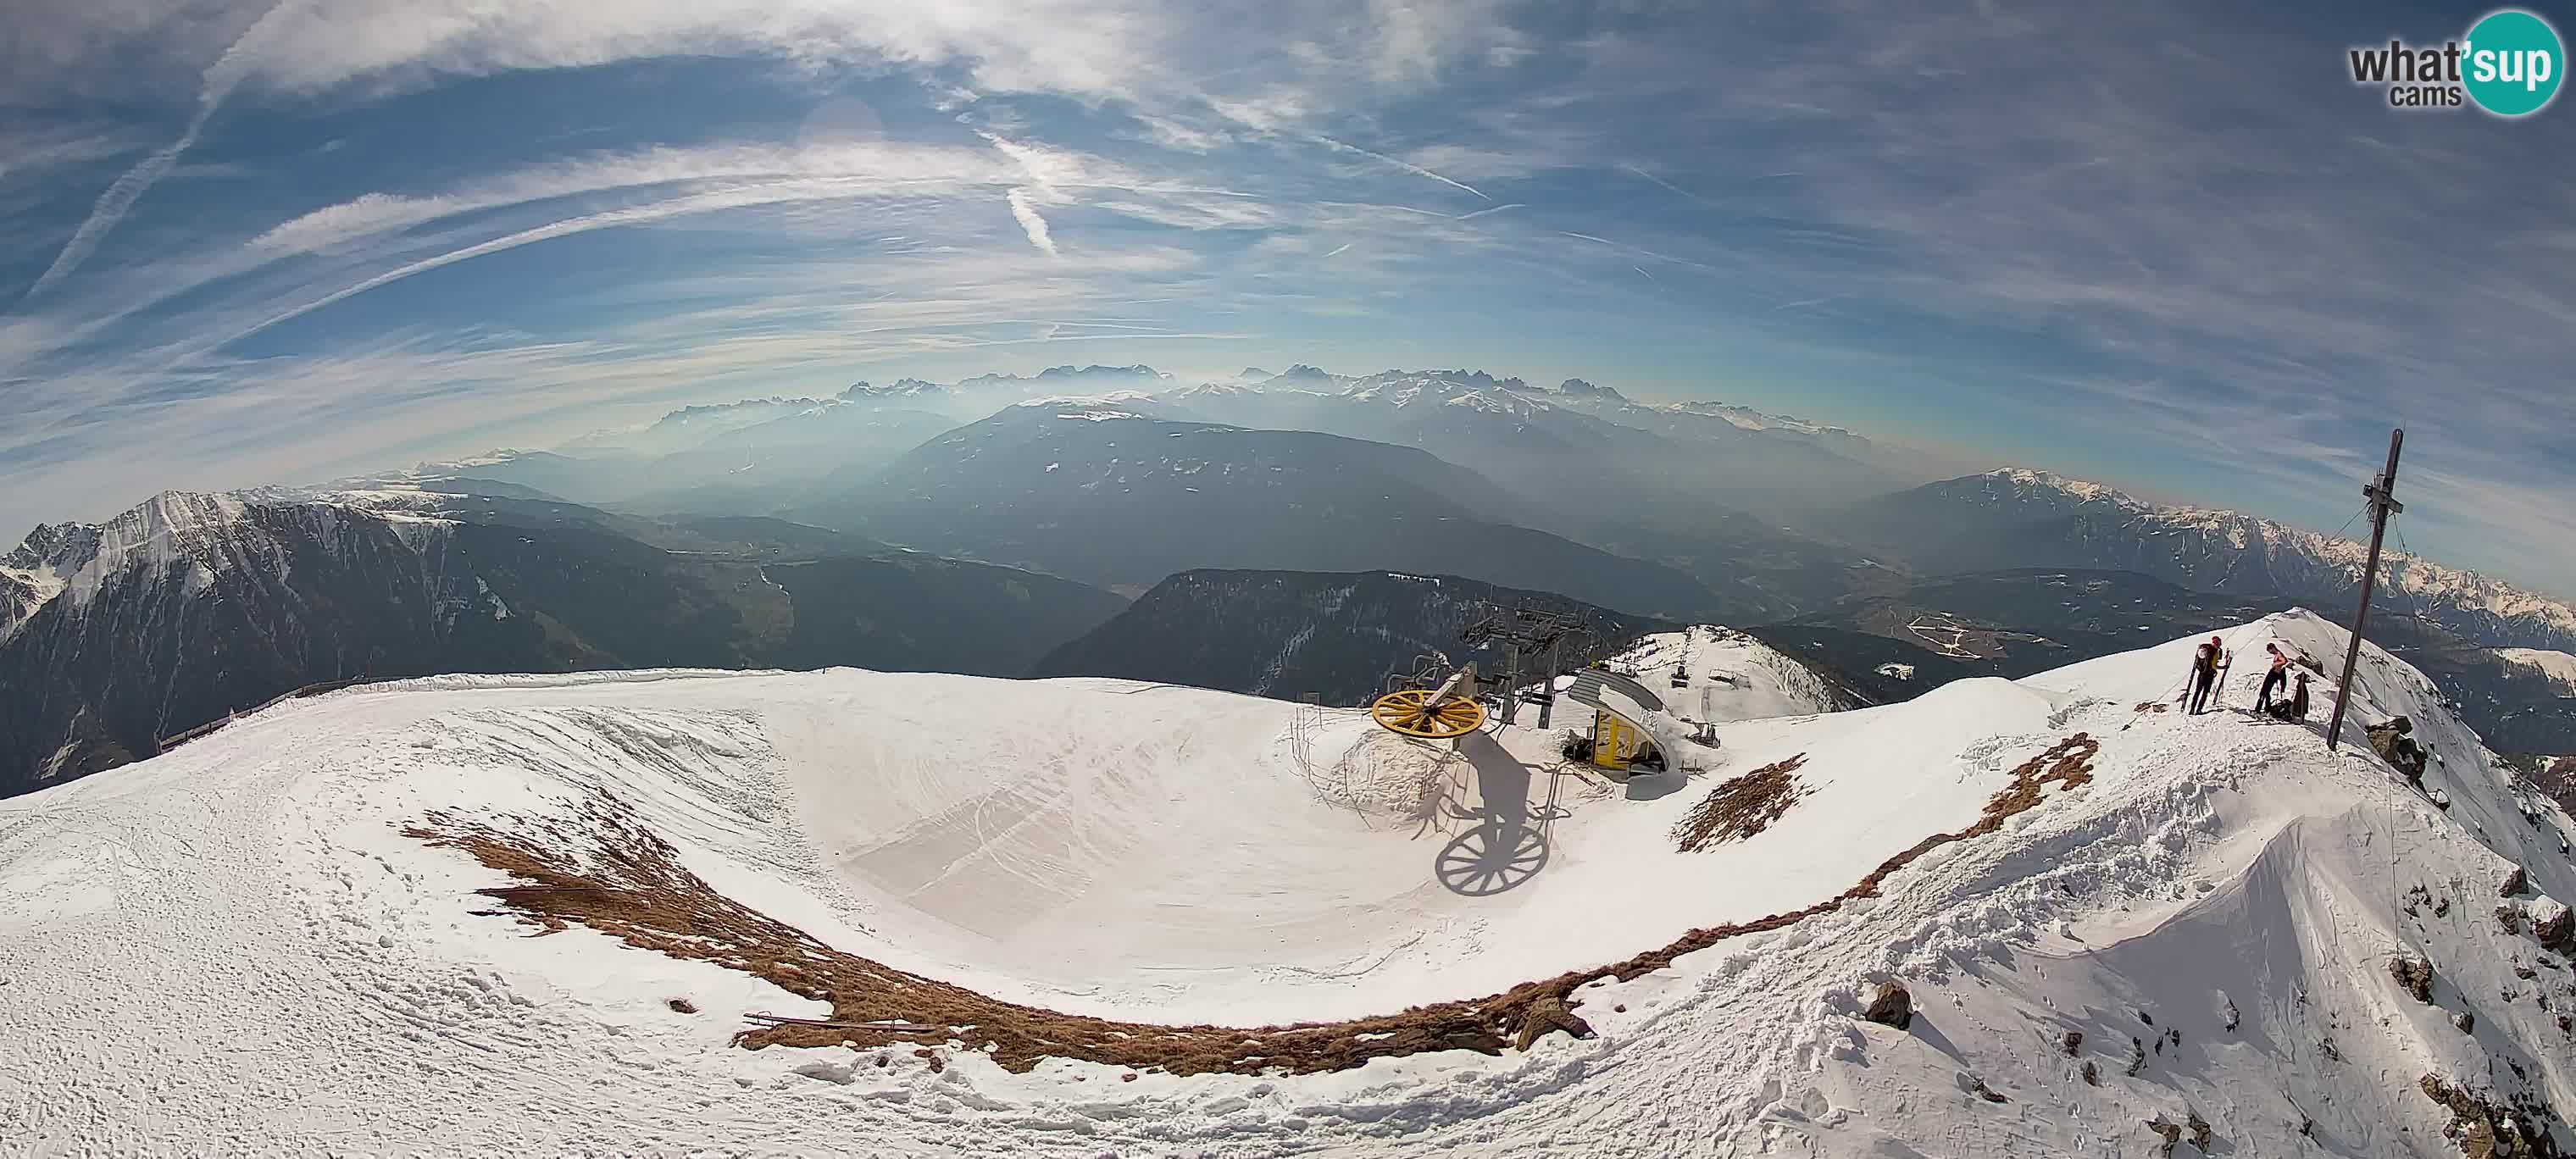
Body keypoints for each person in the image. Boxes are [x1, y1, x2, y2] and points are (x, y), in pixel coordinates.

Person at [2188, 635, 2222, 714]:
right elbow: (2214, 665)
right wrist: (2223, 667)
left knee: (2197, 691)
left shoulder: (2206, 649)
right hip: (2209, 675)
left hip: (2202, 674)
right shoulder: (2214, 651)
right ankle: (2199, 709)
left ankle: (2192, 709)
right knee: (2205, 693)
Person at [2257, 644, 2291, 713]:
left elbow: (2284, 661)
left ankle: (2259, 709)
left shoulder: (2279, 654)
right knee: (2266, 692)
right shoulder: (2278, 655)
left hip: (2274, 674)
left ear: (2272, 648)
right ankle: (2267, 707)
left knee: (2264, 691)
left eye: (2270, 651)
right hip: (2274, 673)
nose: (2270, 652)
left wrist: (2275, 664)